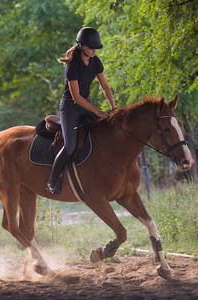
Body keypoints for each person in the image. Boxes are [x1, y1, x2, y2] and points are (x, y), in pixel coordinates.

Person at [46, 27, 117, 195]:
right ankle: (52, 180)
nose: (94, 50)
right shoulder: (72, 65)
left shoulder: (96, 61)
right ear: (81, 45)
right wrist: (99, 113)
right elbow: (77, 97)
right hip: (70, 107)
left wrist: (113, 108)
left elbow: (105, 86)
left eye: (96, 48)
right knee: (70, 146)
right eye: (91, 47)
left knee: (106, 132)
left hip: (87, 105)